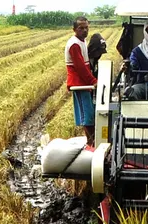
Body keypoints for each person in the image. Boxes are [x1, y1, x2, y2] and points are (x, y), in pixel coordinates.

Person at [65, 16, 96, 147]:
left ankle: (92, 141)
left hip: (84, 83)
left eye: (86, 27)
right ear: (74, 29)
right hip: (79, 84)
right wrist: (93, 81)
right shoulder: (74, 44)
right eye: (81, 28)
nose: (84, 30)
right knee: (87, 115)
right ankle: (91, 142)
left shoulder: (81, 41)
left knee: (89, 114)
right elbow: (80, 67)